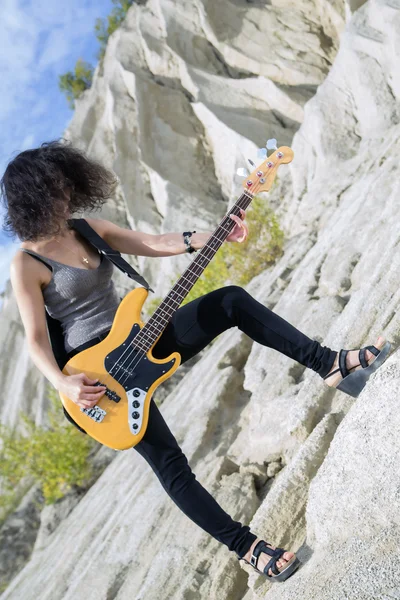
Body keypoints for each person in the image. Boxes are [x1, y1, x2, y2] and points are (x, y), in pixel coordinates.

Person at [1, 140, 390, 584]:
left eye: (65, 185)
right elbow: (34, 340)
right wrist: (62, 383)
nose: (64, 195)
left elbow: (151, 241)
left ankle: (329, 364)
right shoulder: (26, 262)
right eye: (54, 190)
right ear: (33, 197)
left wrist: (202, 238)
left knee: (229, 301)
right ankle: (249, 548)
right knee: (171, 465)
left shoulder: (85, 227)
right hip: (100, 383)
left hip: (141, 339)